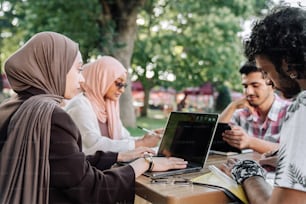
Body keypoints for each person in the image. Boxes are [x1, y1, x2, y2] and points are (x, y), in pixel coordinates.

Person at [0, 31, 187, 204]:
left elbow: (63, 165)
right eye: (78, 69)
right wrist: (146, 163)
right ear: (54, 68)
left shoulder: (14, 107)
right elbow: (93, 189)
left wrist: (120, 155)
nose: (82, 80)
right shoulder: (51, 116)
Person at [220, 6, 306, 204]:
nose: (269, 82)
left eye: (265, 72)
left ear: (286, 63)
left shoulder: (302, 107)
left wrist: (248, 172)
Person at [64, 56, 162, 155]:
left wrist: (147, 138)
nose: (122, 90)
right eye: (118, 84)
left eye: (124, 85)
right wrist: (141, 143)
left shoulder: (108, 107)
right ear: (101, 78)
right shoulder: (80, 106)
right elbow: (93, 146)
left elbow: (123, 138)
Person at [219, 62, 291, 153]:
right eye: (245, 86)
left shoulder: (291, 112)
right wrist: (232, 106)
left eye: (255, 85)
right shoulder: (241, 114)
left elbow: (293, 152)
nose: (249, 92)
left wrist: (250, 142)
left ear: (272, 85)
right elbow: (213, 139)